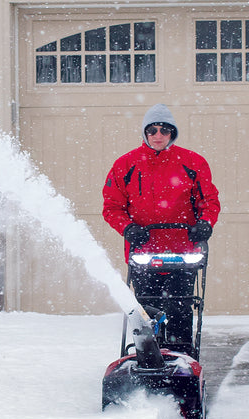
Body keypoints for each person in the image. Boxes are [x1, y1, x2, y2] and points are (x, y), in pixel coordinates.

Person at [103, 103, 220, 350]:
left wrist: (204, 224)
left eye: (164, 130)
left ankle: (181, 354)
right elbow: (112, 206)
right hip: (145, 251)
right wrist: (128, 228)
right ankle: (148, 355)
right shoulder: (126, 165)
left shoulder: (193, 163)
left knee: (180, 305)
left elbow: (209, 201)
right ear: (145, 133)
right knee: (146, 307)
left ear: (172, 133)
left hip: (183, 252)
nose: (158, 135)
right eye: (153, 130)